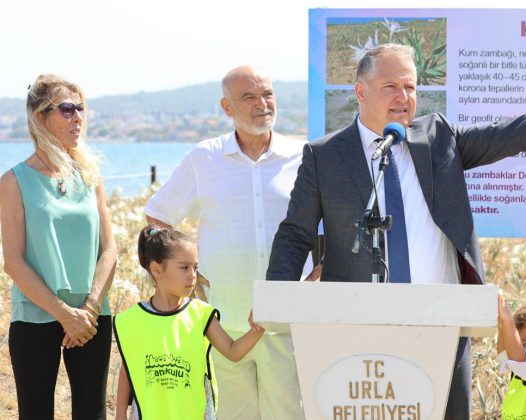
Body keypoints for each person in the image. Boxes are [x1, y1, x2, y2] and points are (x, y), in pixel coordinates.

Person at [266, 43, 526, 419]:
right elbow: (296, 233)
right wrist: (275, 295)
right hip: (360, 331)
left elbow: (508, 135)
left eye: (410, 87)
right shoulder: (325, 156)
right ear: (361, 91)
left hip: (442, 326)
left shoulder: (437, 138)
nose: (403, 97)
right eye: (391, 86)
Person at [143, 65, 314, 419]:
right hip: (224, 323)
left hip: (288, 324)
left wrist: (317, 277)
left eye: (267, 94)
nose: (261, 104)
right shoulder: (203, 159)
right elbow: (158, 215)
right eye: (248, 97)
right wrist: (186, 276)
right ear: (226, 107)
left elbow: (332, 226)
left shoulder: (304, 157)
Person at [0, 74, 117, 419]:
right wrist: (64, 314)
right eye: (66, 109)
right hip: (37, 316)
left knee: (92, 413)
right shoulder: (13, 181)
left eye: (80, 108)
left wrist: (89, 309)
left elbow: (109, 250)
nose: (77, 117)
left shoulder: (90, 175)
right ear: (40, 117)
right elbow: (13, 262)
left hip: (92, 317)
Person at [114, 226, 265, 420]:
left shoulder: (201, 314)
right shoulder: (132, 319)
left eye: (195, 267)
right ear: (156, 269)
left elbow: (233, 351)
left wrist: (258, 328)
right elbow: (129, 368)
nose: (192, 275)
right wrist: (120, 414)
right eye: (184, 267)